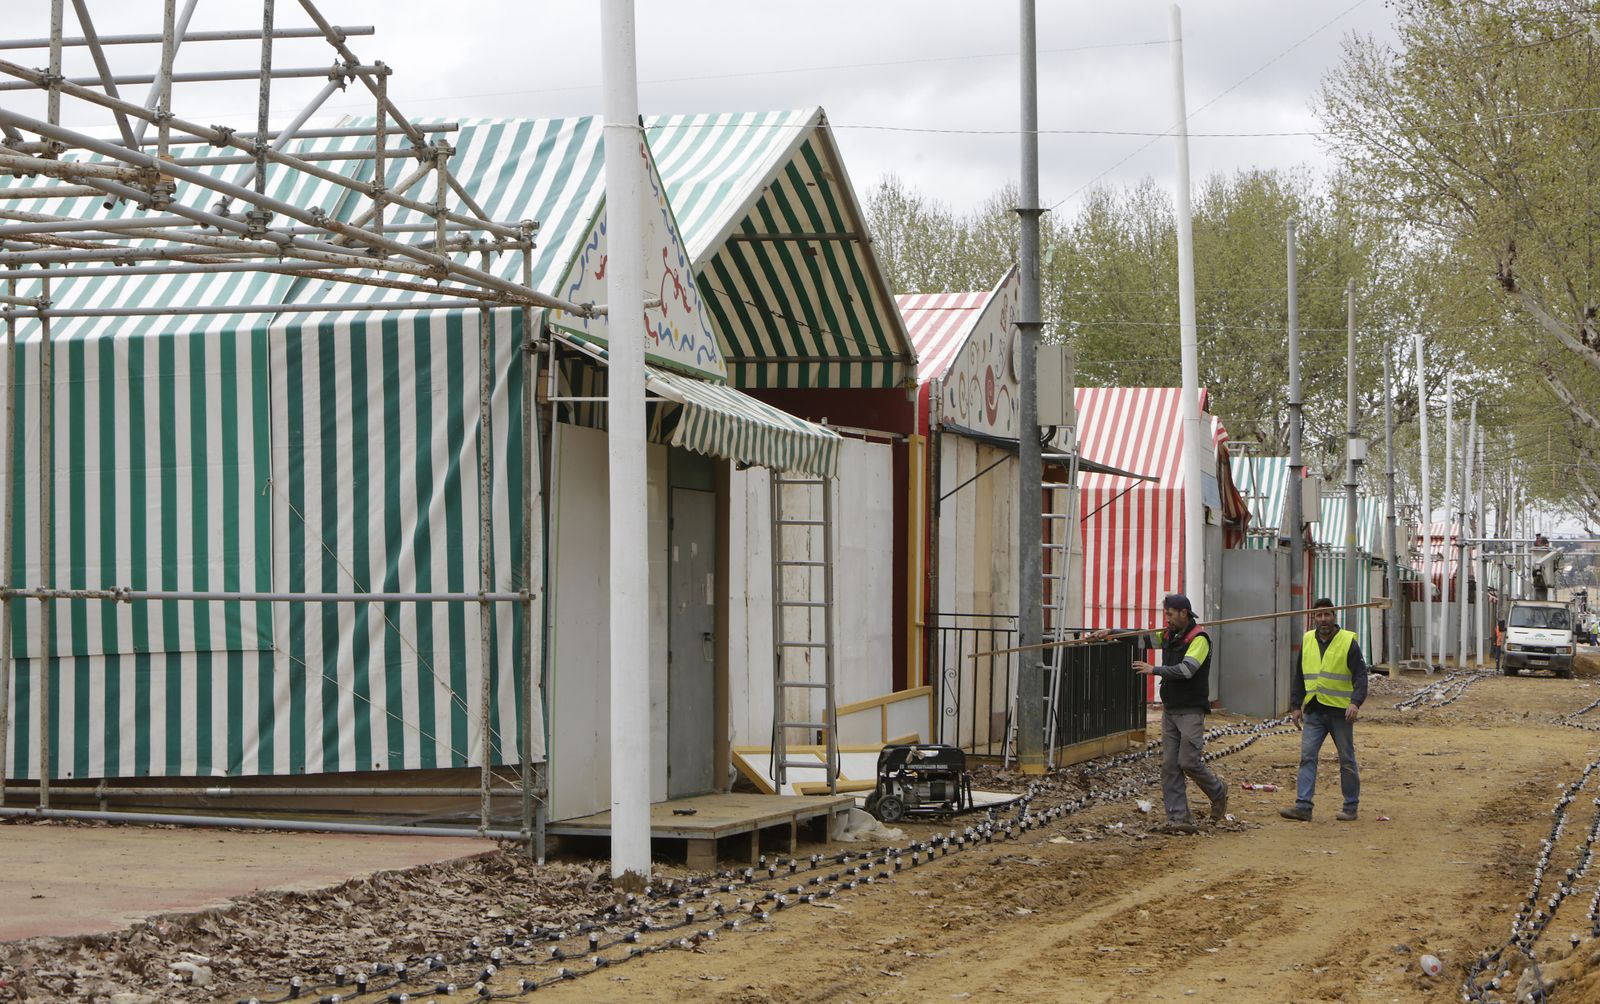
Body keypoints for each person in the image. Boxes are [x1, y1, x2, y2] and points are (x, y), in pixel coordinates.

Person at [1132, 593, 1228, 835]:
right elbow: (1140, 638)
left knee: (1188, 761)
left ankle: (1218, 791)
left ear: (1184, 613)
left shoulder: (1199, 639)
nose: (1167, 619)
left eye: (1170, 614)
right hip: (1171, 710)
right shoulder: (1168, 635)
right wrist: (1110, 633)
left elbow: (1187, 670)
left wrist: (1154, 669)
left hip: (1191, 710)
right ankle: (1178, 818)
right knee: (1169, 766)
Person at [1279, 597, 1368, 823]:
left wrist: (1355, 702)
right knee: (1307, 757)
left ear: (1334, 616)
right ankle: (1303, 806)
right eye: (1319, 615)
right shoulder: (1308, 640)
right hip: (1314, 711)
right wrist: (1295, 706)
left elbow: (1361, 676)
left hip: (1340, 712)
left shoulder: (1348, 642)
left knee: (1347, 759)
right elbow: (1299, 675)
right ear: (1313, 618)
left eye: (1327, 614)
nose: (1323, 619)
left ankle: (1350, 806)